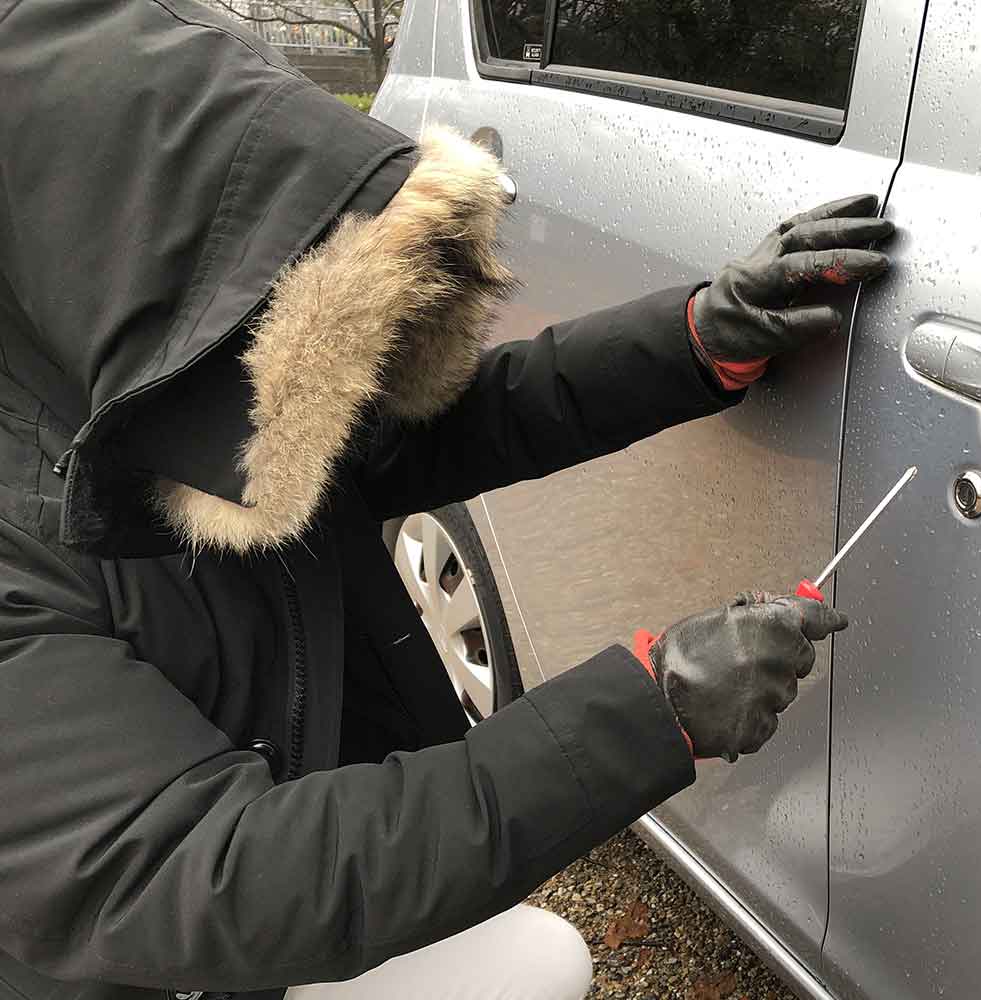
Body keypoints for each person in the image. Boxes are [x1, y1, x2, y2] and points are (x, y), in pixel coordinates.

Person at [0, 3, 894, 1000]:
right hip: (176, 969)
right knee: (540, 962)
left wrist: (693, 338)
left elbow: (424, 434)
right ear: (149, 274)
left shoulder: (149, 387)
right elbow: (207, 876)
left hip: (265, 913)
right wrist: (652, 710)